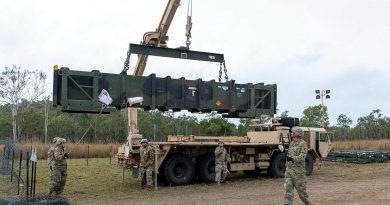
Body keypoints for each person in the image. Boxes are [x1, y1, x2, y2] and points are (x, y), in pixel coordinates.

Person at [284, 127, 311, 205]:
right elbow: (289, 154)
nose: (292, 134)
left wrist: (292, 158)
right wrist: (287, 158)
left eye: (293, 133)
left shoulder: (303, 144)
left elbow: (302, 157)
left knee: (302, 194)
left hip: (298, 173)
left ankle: (307, 203)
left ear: (298, 134)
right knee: (288, 191)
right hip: (289, 171)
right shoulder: (292, 143)